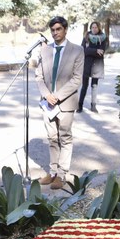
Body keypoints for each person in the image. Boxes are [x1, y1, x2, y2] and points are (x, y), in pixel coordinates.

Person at [36, 16, 84, 190]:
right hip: (47, 103)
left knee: (64, 137)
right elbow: (39, 77)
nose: (55, 33)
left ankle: (62, 174)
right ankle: (52, 172)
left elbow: (77, 79)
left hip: (65, 102)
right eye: (53, 30)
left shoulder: (77, 50)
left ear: (65, 30)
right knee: (51, 138)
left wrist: (57, 96)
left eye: (58, 29)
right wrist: (47, 95)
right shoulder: (45, 50)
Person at [78, 21, 108, 113]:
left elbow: (101, 52)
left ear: (99, 28)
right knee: (84, 86)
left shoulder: (103, 38)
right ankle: (80, 106)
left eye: (96, 27)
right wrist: (95, 51)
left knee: (94, 86)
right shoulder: (86, 37)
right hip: (87, 63)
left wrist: (90, 51)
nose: (94, 29)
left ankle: (93, 106)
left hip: (97, 64)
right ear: (90, 28)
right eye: (92, 27)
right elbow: (82, 50)